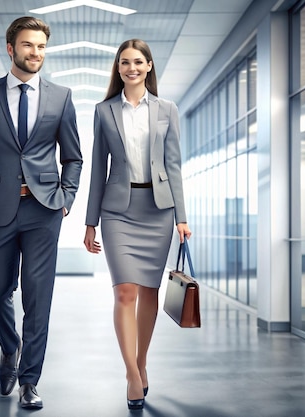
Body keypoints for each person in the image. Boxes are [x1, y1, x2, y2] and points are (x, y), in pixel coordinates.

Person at [0, 16, 82, 409]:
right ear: (11, 49)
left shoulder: (60, 97)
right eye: (28, 45)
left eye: (41, 46)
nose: (36, 53)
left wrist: (66, 198)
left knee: (38, 298)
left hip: (44, 210)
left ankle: (30, 381)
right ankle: (9, 348)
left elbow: (74, 156)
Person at [83, 39, 191, 410]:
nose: (131, 68)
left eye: (137, 62)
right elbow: (99, 167)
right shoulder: (103, 111)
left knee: (149, 291)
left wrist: (182, 217)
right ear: (118, 68)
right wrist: (90, 222)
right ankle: (131, 372)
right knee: (124, 292)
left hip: (158, 210)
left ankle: (142, 361)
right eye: (124, 62)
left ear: (148, 66)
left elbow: (174, 165)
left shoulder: (167, 109)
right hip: (118, 210)